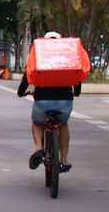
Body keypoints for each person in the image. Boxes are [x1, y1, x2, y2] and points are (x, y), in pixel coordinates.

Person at [17, 32, 82, 173]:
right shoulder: (67, 57)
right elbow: (76, 76)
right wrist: (76, 92)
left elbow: (27, 76)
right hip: (65, 102)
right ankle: (64, 161)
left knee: (37, 123)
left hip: (42, 101)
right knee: (63, 125)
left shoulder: (39, 57)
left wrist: (21, 92)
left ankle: (39, 148)